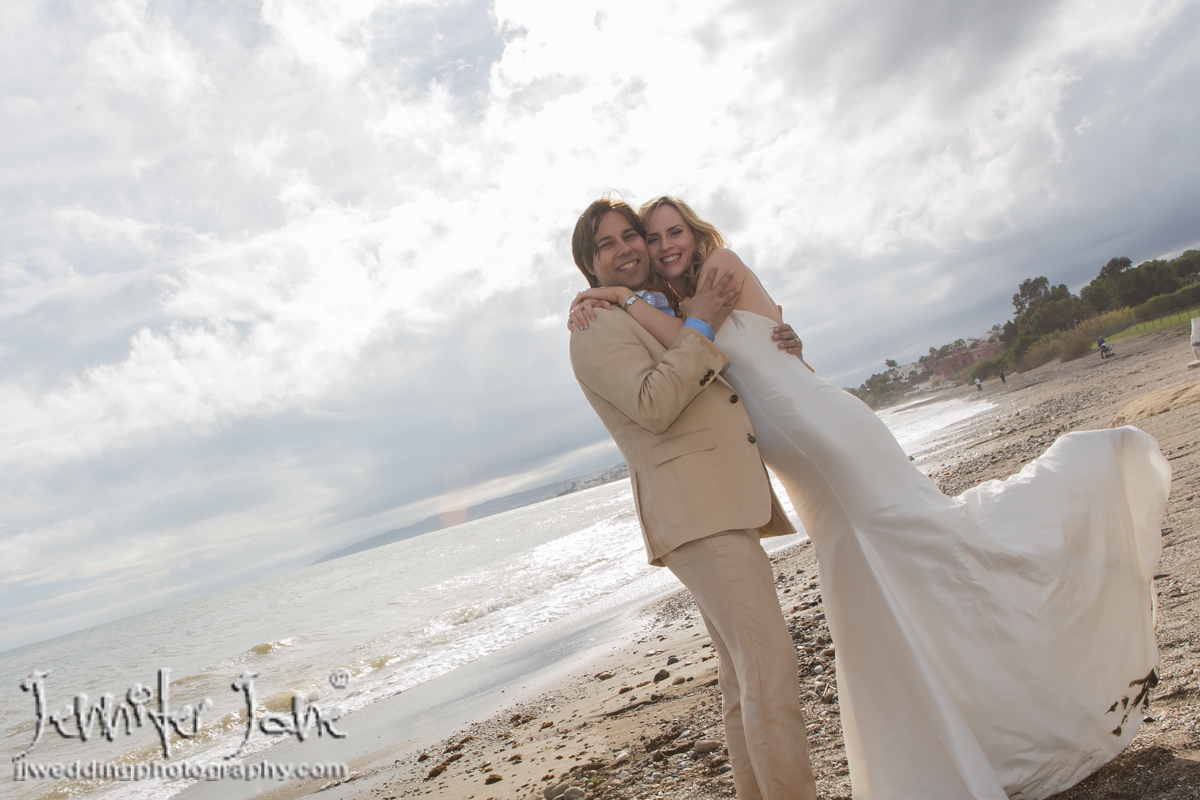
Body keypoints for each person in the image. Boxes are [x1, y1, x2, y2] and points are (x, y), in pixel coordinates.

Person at [569, 195, 1170, 800]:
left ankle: (1080, 548)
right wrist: (630, 303)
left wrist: (620, 298)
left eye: (668, 232)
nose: (659, 245)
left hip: (833, 443)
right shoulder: (673, 309)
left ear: (696, 235)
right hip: (807, 471)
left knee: (935, 549)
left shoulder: (718, 271)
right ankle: (964, 736)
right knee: (887, 590)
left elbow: (704, 343)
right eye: (648, 237)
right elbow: (693, 356)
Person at [567, 198, 817, 800]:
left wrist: (775, 335)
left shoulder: (654, 311)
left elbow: (730, 370)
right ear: (588, 265)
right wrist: (700, 325)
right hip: (695, 514)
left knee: (743, 679)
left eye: (633, 236)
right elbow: (653, 403)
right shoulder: (595, 328)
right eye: (608, 244)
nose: (627, 248)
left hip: (716, 505)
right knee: (770, 671)